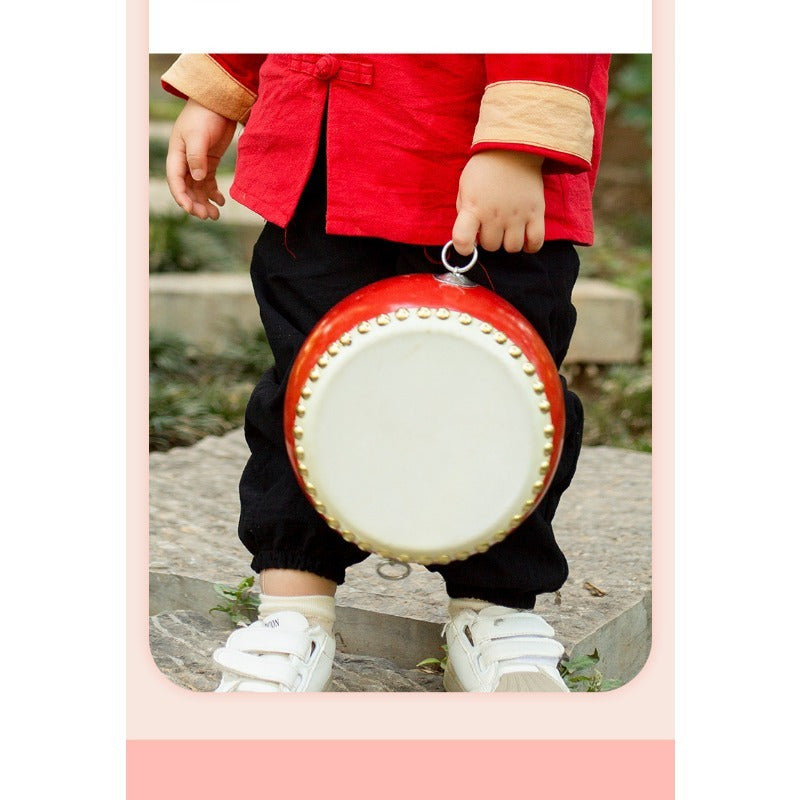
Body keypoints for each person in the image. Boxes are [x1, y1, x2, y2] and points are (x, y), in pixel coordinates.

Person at [162, 53, 610, 692]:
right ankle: (293, 609)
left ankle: (493, 613)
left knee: (510, 396)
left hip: (481, 166)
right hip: (319, 151)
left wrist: (519, 139)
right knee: (308, 389)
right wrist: (220, 84)